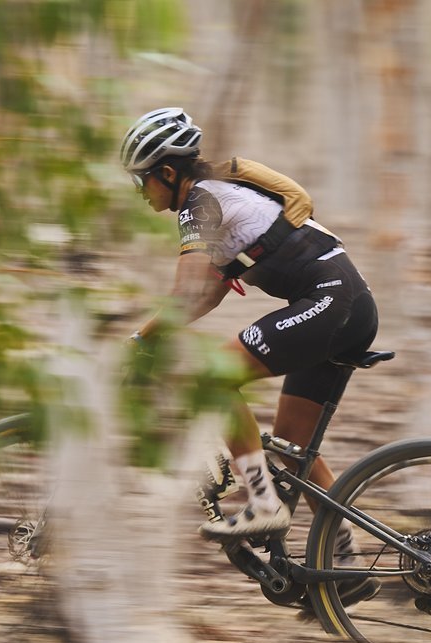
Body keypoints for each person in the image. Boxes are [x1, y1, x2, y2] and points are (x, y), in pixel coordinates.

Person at [121, 107, 380, 600]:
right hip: (347, 304)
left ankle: (262, 501)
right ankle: (345, 558)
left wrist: (139, 342)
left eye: (142, 182)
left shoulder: (200, 203)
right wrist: (147, 337)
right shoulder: (219, 197)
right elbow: (208, 294)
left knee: (210, 378)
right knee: (291, 453)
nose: (141, 193)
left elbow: (184, 296)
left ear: (168, 173)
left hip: (331, 303)